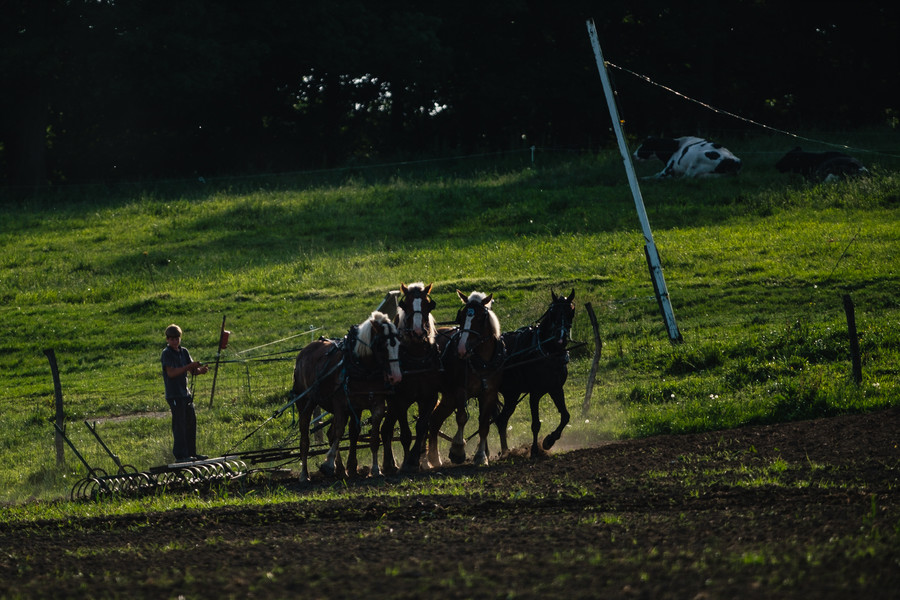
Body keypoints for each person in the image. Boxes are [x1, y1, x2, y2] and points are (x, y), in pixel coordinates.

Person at [161, 323, 209, 462]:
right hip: (174, 395)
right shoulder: (166, 353)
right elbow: (171, 373)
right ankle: (181, 455)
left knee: (190, 423)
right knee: (179, 425)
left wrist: (201, 370)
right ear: (167, 340)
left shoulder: (184, 352)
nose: (175, 341)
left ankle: (192, 453)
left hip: (185, 394)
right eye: (172, 339)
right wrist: (189, 366)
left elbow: (192, 370)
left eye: (177, 338)